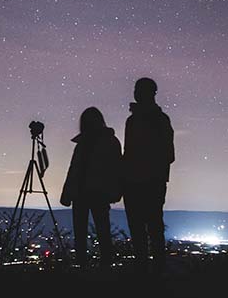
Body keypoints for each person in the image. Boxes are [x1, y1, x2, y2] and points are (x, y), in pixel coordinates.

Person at [123, 77, 175, 274]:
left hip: (148, 181)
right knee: (147, 226)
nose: (135, 93)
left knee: (148, 226)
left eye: (139, 90)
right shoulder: (136, 120)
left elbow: (168, 155)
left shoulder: (156, 120)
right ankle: (147, 269)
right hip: (145, 181)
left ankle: (150, 270)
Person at [60, 107, 122, 270]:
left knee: (87, 231)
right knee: (100, 229)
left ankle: (89, 265)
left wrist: (67, 193)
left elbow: (74, 170)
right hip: (93, 192)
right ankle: (102, 265)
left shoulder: (86, 144)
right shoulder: (109, 142)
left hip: (89, 192)